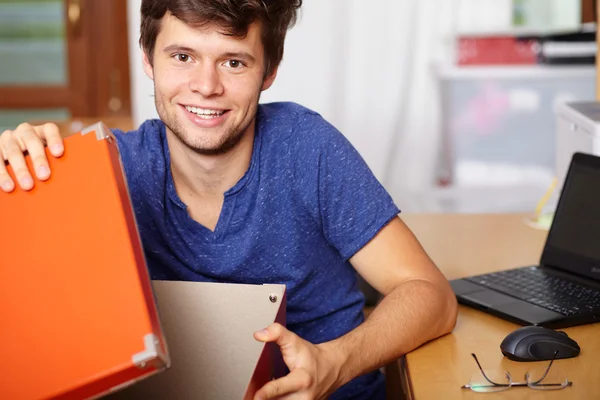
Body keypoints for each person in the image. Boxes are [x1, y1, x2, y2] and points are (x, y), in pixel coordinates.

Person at [0, 1, 458, 399]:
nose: (206, 86)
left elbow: (432, 296)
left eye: (234, 63)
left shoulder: (308, 148)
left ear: (269, 71)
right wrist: (23, 182)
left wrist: (334, 362)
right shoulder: (111, 169)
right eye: (182, 56)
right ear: (148, 59)